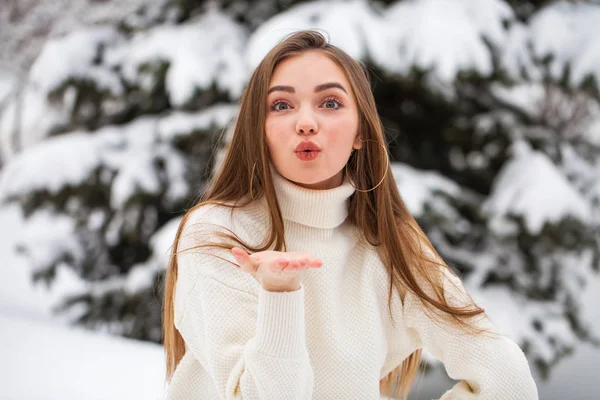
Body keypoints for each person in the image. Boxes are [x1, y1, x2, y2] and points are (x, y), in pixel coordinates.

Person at [162, 30, 538, 400]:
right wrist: (279, 294)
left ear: (361, 131)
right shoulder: (218, 233)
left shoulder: (391, 244)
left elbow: (508, 382)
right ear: (259, 131)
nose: (306, 123)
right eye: (281, 105)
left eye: (330, 103)